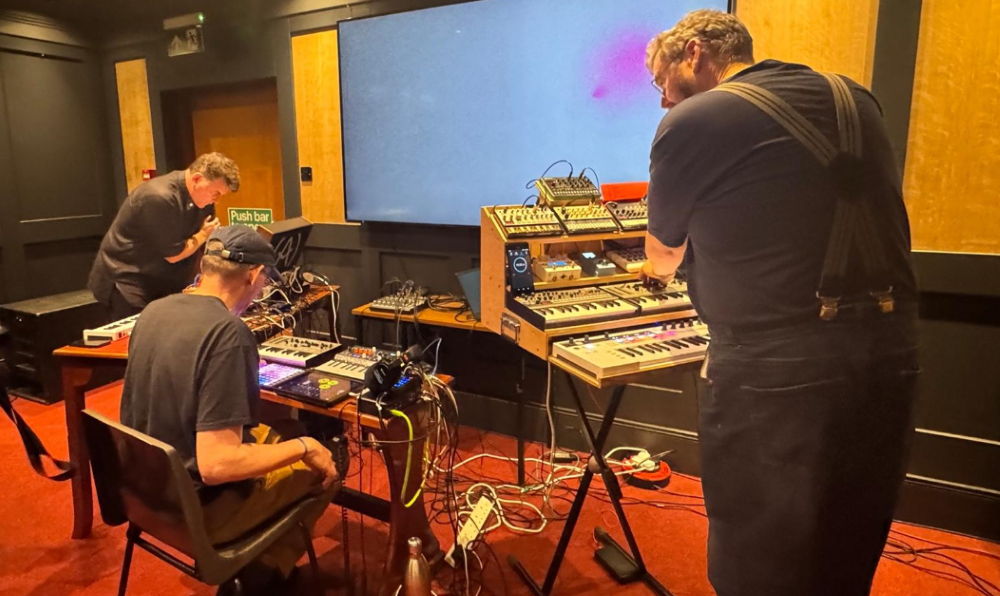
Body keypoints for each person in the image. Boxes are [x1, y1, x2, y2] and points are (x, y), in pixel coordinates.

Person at [641, 10, 919, 596]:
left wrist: (654, 271)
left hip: (775, 370)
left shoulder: (693, 119)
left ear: (694, 53)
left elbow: (663, 254)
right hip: (891, 353)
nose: (663, 99)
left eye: (661, 81)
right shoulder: (856, 99)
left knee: (757, 556)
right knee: (849, 535)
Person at [120, 225, 340, 593]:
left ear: (205, 267)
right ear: (253, 275)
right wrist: (307, 448)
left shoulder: (153, 311)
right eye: (264, 283)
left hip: (142, 495)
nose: (261, 291)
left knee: (286, 430)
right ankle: (259, 578)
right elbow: (217, 465)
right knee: (325, 465)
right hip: (196, 513)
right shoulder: (229, 335)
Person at [89, 152, 239, 321]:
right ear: (197, 179)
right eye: (215, 193)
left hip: (165, 282)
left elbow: (204, 247)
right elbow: (174, 255)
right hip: (129, 282)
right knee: (142, 335)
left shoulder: (204, 200)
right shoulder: (159, 197)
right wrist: (203, 234)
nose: (216, 201)